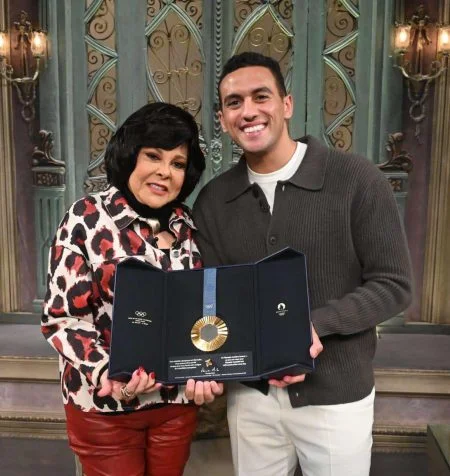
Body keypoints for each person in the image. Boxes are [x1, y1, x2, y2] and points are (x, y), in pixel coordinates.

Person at [193, 52, 412, 476]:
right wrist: (203, 363)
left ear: (287, 104)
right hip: (251, 398)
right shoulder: (214, 201)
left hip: (336, 397)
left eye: (261, 96)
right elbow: (212, 298)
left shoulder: (356, 179)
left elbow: (393, 284)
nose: (248, 111)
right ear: (222, 119)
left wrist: (314, 325)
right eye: (234, 102)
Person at [41, 102, 223, 476]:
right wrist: (106, 371)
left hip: (175, 404)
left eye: (177, 163)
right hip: (105, 409)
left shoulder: (187, 225)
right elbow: (62, 319)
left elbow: (205, 311)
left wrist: (208, 367)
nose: (164, 172)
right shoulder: (87, 217)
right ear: (130, 156)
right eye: (153, 156)